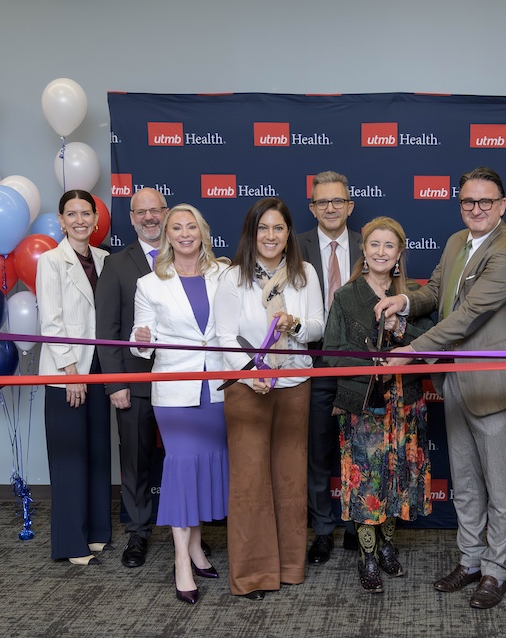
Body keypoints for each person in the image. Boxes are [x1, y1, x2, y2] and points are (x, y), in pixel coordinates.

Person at [378, 167, 506, 610]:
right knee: (464, 483)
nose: (477, 209)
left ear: (502, 205)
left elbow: (468, 316)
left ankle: (495, 570)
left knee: (500, 488)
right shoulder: (455, 243)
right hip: (455, 381)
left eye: (486, 202)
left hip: (495, 385)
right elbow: (435, 294)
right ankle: (470, 560)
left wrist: (410, 351)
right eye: (468, 202)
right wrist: (403, 299)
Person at [214, 198, 325, 600]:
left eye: (278, 228)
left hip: (294, 384)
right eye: (263, 228)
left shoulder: (305, 273)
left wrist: (293, 323)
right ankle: (253, 575)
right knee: (250, 482)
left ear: (288, 233)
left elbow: (317, 327)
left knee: (290, 479)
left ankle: (289, 568)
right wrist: (252, 370)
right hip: (248, 389)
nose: (271, 236)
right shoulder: (233, 278)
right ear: (251, 233)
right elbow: (224, 334)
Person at [323, 216, 433, 593]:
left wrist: (401, 330)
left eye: (389, 246)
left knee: (395, 477)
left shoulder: (414, 296)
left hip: (405, 404)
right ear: (364, 252)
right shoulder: (346, 296)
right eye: (374, 245)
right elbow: (331, 355)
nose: (381, 252)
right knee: (366, 479)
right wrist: (371, 365)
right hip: (363, 405)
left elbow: (435, 343)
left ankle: (388, 546)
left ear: (399, 254)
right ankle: (367, 555)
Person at [131, 204, 229, 605]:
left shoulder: (225, 274)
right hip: (175, 392)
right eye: (177, 228)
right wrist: (141, 339)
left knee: (206, 469)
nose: (185, 233)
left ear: (203, 232)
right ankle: (181, 563)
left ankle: (197, 549)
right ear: (166, 236)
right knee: (182, 471)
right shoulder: (149, 283)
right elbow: (143, 347)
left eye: (192, 226)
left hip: (219, 389)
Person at [37, 190, 111, 566]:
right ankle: (71, 542)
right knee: (70, 458)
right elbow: (51, 323)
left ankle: (98, 531)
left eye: (86, 213)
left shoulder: (104, 259)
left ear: (96, 219)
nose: (80, 220)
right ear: (61, 220)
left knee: (98, 451)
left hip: (100, 370)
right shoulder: (51, 261)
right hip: (68, 373)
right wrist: (71, 373)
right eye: (72, 214)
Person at [95, 187, 167, 569]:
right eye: (142, 212)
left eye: (156, 210)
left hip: (181, 380)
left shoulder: (187, 257)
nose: (150, 217)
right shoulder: (116, 265)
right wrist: (115, 383)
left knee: (185, 458)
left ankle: (192, 531)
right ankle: (138, 533)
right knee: (136, 462)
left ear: (166, 212)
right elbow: (107, 329)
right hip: (134, 382)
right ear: (132, 217)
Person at [298, 171, 363, 565]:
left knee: (359, 448)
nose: (331, 208)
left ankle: (359, 525)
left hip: (359, 361)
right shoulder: (294, 247)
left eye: (337, 201)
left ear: (350, 205)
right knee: (317, 450)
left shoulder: (368, 242)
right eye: (322, 202)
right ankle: (322, 529)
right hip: (313, 358)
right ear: (312, 208)